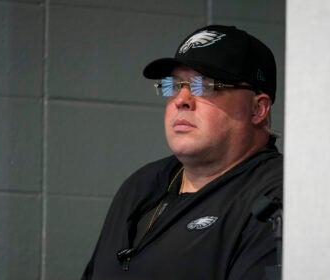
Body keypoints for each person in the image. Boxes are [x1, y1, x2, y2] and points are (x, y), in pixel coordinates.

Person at [81, 25, 283, 280]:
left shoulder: (278, 195)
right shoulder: (141, 185)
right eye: (175, 85)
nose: (181, 99)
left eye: (205, 85)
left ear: (257, 109)